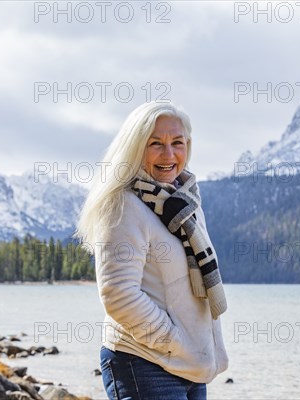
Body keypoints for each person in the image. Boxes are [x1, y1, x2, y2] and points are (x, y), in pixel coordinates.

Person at [76, 101, 228, 399]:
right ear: (135, 148)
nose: (169, 154)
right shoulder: (123, 205)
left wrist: (191, 349)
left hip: (189, 365)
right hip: (143, 362)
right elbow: (118, 294)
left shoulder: (185, 203)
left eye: (177, 143)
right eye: (155, 143)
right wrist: (174, 341)